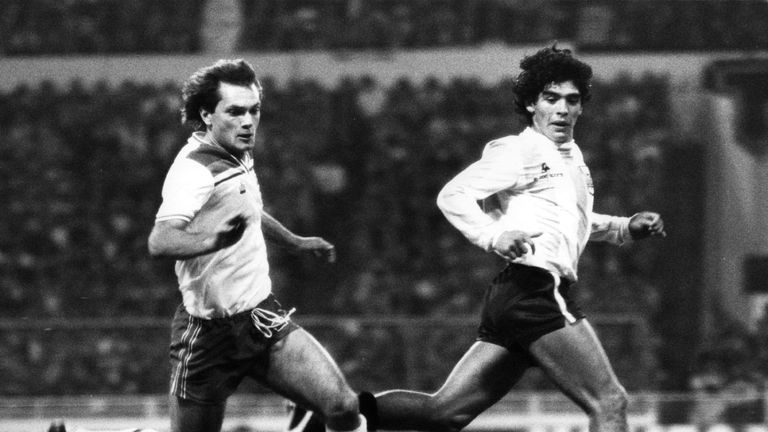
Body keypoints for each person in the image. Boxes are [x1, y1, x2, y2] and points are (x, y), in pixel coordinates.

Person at [287, 45, 666, 432]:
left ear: (582, 107)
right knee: (610, 401)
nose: (563, 109)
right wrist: (493, 236)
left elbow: (571, 221)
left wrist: (624, 227)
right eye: (551, 99)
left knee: (444, 412)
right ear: (531, 105)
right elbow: (452, 195)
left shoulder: (571, 156)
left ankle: (329, 412)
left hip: (519, 294)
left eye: (572, 100)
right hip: (535, 289)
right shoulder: (518, 150)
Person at [145, 59, 367, 432]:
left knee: (344, 407)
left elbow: (248, 209)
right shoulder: (194, 172)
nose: (248, 121)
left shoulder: (237, 153)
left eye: (254, 110)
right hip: (208, 335)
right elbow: (160, 240)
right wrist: (213, 240)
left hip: (260, 318)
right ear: (207, 115)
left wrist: (293, 241)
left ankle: (303, 415)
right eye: (235, 111)